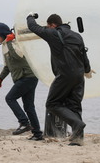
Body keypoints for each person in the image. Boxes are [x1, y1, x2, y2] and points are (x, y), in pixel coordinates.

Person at [26, 13, 93, 146]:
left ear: (52, 25)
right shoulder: (77, 36)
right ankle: (77, 139)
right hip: (79, 76)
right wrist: (87, 70)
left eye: (48, 26)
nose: (47, 29)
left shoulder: (54, 33)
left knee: (52, 104)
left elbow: (33, 27)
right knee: (74, 105)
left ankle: (77, 124)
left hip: (64, 75)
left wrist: (30, 16)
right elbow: (84, 55)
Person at [0, 22, 43, 141]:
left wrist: (9, 41)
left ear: (2, 34)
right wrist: (0, 78)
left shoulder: (15, 43)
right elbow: (7, 66)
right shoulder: (5, 46)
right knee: (29, 107)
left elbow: (17, 56)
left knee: (10, 98)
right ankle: (38, 134)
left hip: (28, 77)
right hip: (24, 78)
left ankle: (24, 123)